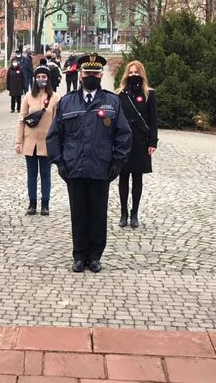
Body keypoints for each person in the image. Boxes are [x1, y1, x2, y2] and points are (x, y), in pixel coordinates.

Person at [46, 53, 132, 273]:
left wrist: (117, 163)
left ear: (101, 75)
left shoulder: (112, 102)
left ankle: (94, 256)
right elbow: (54, 135)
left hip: (101, 167)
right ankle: (79, 255)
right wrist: (59, 162)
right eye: (87, 73)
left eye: (95, 73)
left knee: (98, 214)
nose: (90, 76)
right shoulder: (67, 102)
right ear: (80, 75)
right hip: (74, 167)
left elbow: (123, 134)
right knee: (78, 214)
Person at [115, 60, 158, 228]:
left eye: (136, 72)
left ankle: (134, 213)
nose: (133, 75)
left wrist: (153, 142)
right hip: (124, 141)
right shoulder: (120, 94)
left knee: (137, 177)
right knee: (123, 177)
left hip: (141, 140)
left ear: (142, 74)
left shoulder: (149, 94)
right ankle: (123, 213)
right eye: (131, 72)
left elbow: (153, 120)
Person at [15, 65, 61, 215]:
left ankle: (45, 204)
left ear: (48, 79)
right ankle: (32, 203)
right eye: (38, 77)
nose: (41, 79)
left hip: (46, 143)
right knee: (31, 174)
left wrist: (57, 143)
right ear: (35, 79)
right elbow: (21, 119)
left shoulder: (55, 97)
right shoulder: (28, 96)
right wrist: (18, 141)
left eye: (44, 77)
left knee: (46, 174)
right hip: (30, 143)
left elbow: (57, 122)